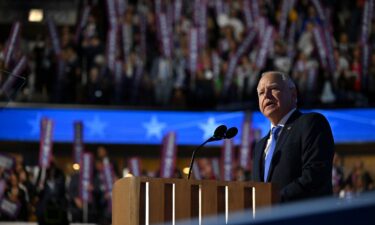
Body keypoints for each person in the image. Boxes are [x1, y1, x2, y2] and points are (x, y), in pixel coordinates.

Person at [252, 71, 334, 202]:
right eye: (261, 93)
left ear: (293, 94)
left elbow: (314, 175)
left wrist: (273, 200)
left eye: (273, 89)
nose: (266, 96)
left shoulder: (311, 123)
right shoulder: (259, 146)